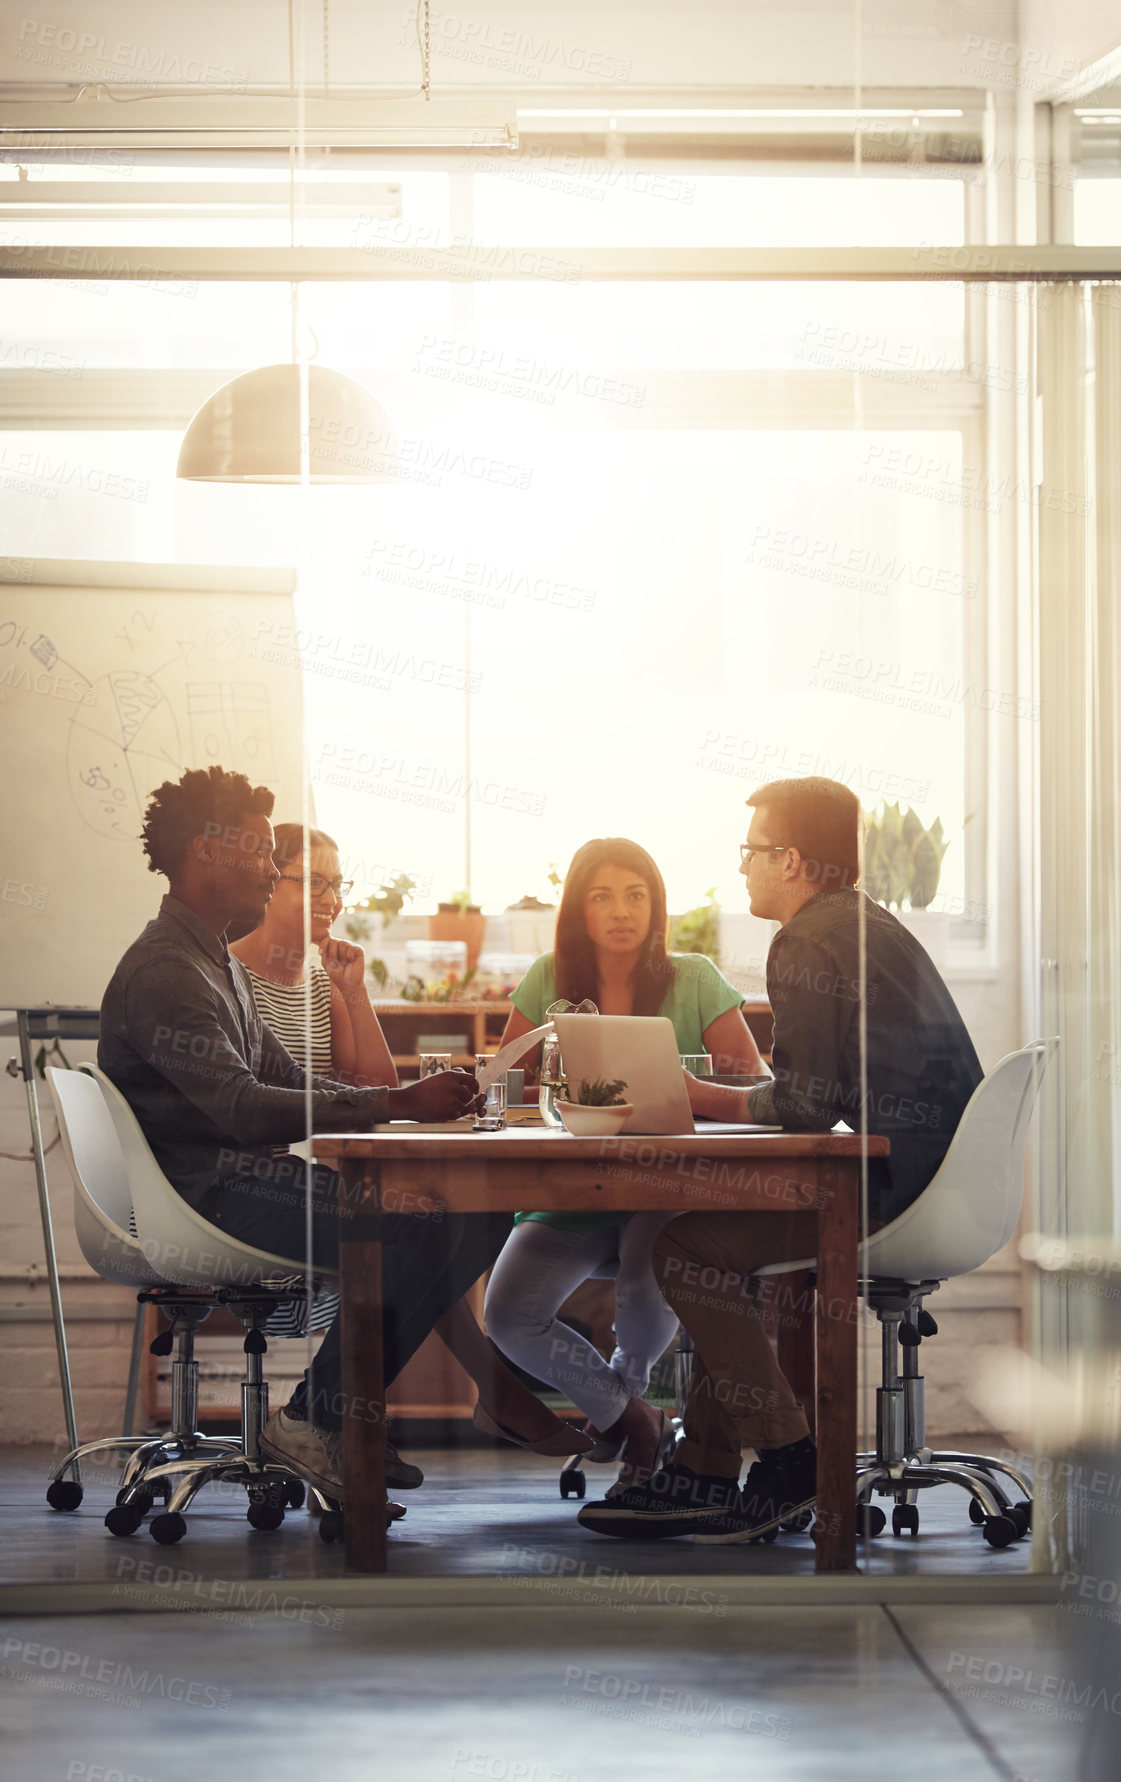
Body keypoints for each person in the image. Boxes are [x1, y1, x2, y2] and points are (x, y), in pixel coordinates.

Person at [577, 776, 984, 1543]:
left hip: (898, 1193)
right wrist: (731, 1094)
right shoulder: (864, 924)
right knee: (710, 1238)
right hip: (937, 1183)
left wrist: (692, 1093)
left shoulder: (805, 939)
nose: (742, 869)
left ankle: (789, 1461)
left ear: (790, 860)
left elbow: (800, 1108)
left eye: (751, 852)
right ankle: (701, 1470)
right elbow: (816, 1095)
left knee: (685, 1243)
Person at [98, 766, 511, 1506]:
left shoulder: (212, 959)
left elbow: (286, 1077)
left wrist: (399, 1100)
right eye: (258, 851)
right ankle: (316, 1421)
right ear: (207, 852)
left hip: (245, 1184)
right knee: (421, 1225)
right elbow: (244, 1108)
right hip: (209, 1199)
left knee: (478, 1210)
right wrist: (396, 1101)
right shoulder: (168, 969)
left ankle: (327, 1422)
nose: (268, 868)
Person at [230, 820, 585, 1458]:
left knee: (459, 1216)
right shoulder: (229, 979)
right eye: (312, 882)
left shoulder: (317, 980)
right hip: (252, 1185)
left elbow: (375, 1088)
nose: (330, 900)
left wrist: (353, 992)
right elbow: (262, 1104)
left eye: (338, 885)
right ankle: (348, 1418)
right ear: (264, 882)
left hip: (301, 1177)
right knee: (423, 1229)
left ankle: (342, 1420)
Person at [483, 836, 767, 1487]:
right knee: (505, 1315)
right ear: (577, 909)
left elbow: (755, 1085)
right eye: (602, 895)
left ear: (656, 905)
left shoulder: (694, 977)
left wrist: (691, 1095)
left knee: (646, 1278)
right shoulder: (547, 977)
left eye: (635, 895)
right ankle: (631, 1413)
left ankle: (631, 1416)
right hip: (573, 1195)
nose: (621, 910)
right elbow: (505, 1083)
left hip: (667, 1189)